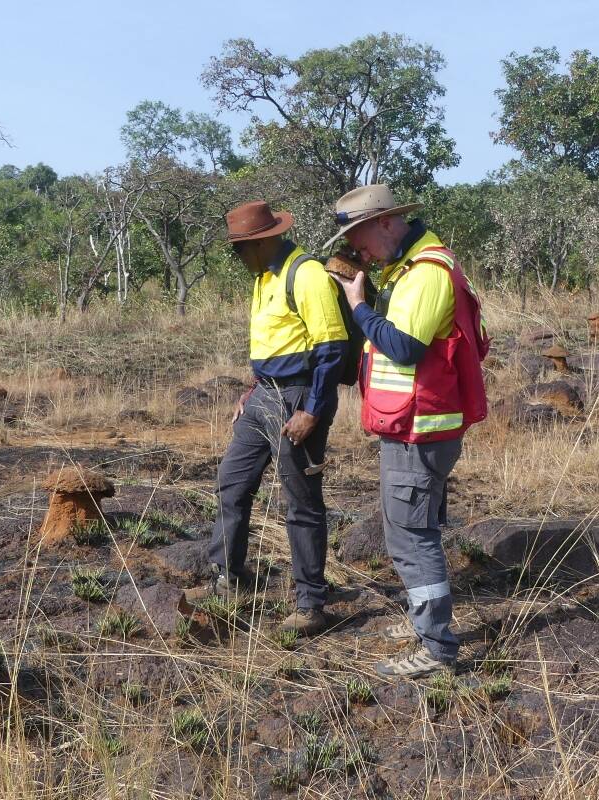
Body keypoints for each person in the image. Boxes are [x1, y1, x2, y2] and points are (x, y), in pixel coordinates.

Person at [324, 184, 489, 678]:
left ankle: (437, 649)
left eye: (362, 237)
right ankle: (426, 622)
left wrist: (357, 306)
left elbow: (404, 347)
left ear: (388, 224)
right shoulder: (409, 268)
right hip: (415, 424)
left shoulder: (425, 275)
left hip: (419, 430)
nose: (361, 250)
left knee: (409, 536)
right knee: (417, 529)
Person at [201, 200, 348, 637]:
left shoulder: (306, 275)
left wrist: (312, 411)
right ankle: (228, 578)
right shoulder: (264, 276)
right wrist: (250, 391)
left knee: (300, 502)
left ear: (262, 241)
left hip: (300, 397)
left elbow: (332, 349)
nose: (237, 256)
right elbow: (273, 343)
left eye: (240, 248)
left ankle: (311, 604)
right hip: (263, 395)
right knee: (232, 481)